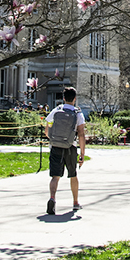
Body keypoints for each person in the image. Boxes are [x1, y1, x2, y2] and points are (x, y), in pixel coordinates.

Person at [45, 86, 86, 214]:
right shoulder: (77, 113)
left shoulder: (56, 110)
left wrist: (54, 138)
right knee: (73, 175)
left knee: (55, 176)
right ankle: (75, 202)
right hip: (70, 147)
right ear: (74, 99)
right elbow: (81, 134)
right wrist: (82, 154)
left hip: (56, 146)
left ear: (63, 98)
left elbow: (47, 130)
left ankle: (52, 198)